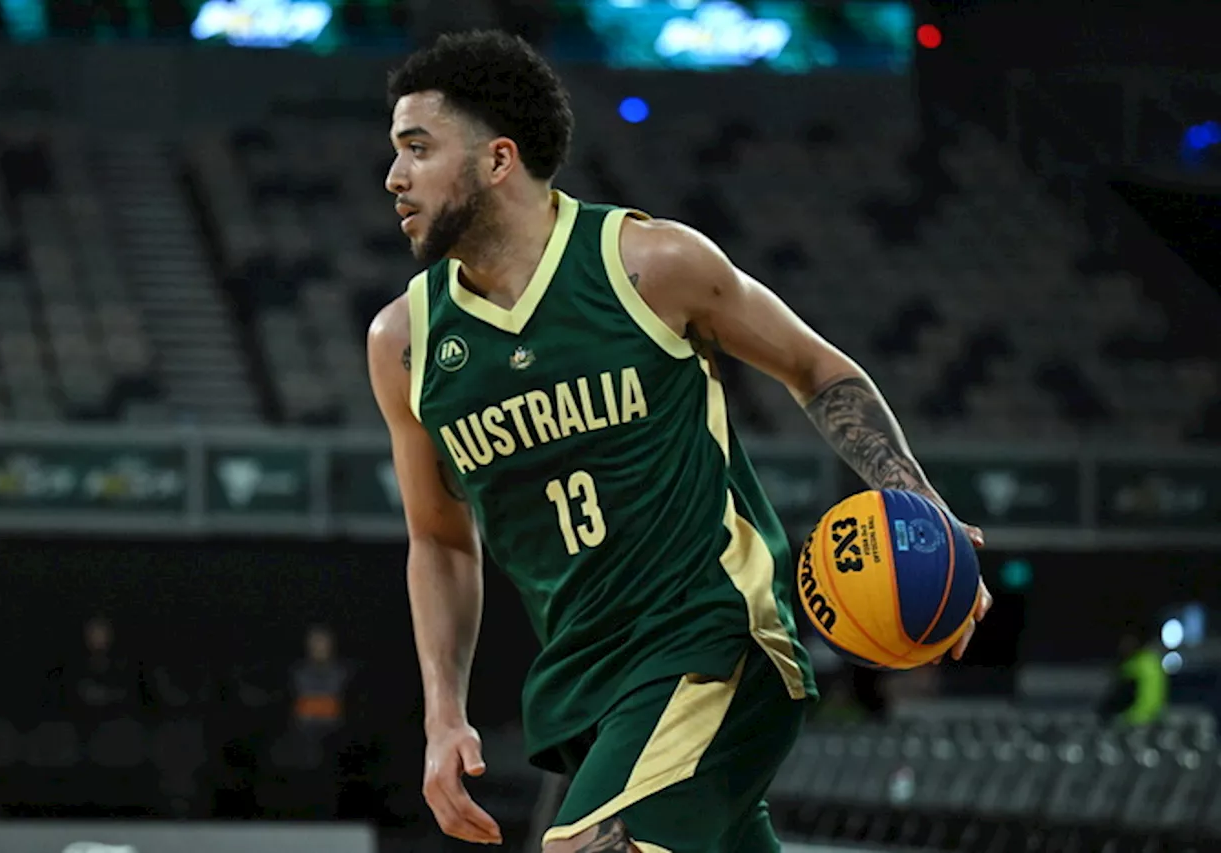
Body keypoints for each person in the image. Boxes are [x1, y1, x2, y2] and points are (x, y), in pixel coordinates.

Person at [366, 30, 993, 853]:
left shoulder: (647, 262)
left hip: (714, 640)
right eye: (394, 151)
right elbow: (441, 541)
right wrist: (442, 714)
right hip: (586, 679)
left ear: (498, 160)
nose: (394, 177)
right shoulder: (405, 342)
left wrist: (926, 512)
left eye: (418, 148)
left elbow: (816, 368)